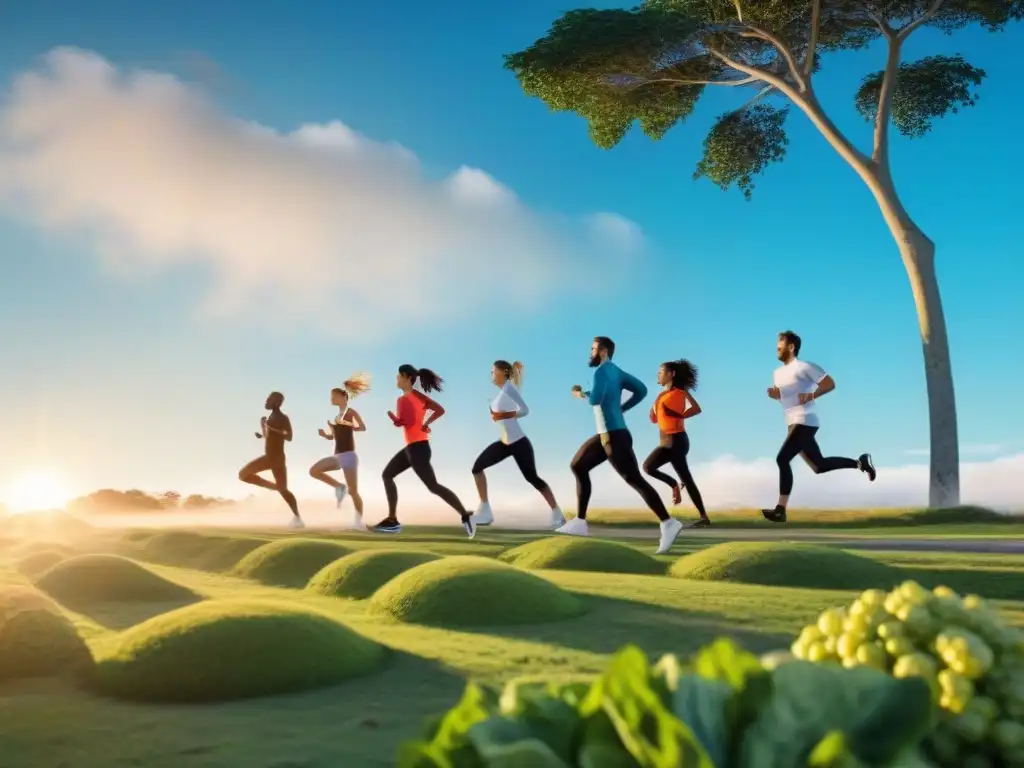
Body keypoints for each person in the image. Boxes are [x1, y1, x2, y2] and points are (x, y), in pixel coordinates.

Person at [560, 336, 684, 555]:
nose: (591, 352)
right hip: (605, 435)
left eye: (594, 349)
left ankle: (668, 522)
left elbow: (595, 400)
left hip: (615, 437)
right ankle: (580, 521)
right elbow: (642, 390)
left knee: (634, 479)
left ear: (604, 351)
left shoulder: (600, 372)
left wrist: (580, 393)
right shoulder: (616, 371)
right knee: (578, 465)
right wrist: (622, 407)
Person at [763, 330, 876, 523]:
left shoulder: (805, 367)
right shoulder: (777, 373)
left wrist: (812, 395)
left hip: (806, 420)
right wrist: (777, 396)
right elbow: (788, 399)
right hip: (792, 422)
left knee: (782, 459)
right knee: (819, 466)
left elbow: (830, 384)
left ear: (791, 347)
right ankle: (860, 463)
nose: (777, 350)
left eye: (780, 346)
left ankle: (780, 510)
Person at [374, 364, 475, 538]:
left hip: (418, 449)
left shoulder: (406, 398)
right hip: (414, 447)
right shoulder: (413, 396)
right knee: (387, 474)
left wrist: (404, 421)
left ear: (406, 377)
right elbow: (436, 411)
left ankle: (465, 516)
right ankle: (392, 521)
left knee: (433, 486)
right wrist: (419, 423)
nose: (396, 379)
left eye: (398, 376)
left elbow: (413, 419)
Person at [472, 360, 565, 529]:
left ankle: (557, 514)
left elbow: (525, 410)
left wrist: (504, 415)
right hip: (504, 443)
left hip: (519, 443)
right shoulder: (503, 392)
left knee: (532, 478)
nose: (491, 375)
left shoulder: (509, 389)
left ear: (502, 372)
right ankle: (485, 511)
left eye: (493, 371)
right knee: (477, 468)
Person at [643, 359, 711, 528]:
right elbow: (653, 419)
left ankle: (702, 515)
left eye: (661, 372)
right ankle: (676, 486)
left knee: (680, 476)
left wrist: (678, 415)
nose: (658, 375)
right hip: (665, 441)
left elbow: (696, 409)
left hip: (677, 441)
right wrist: (653, 412)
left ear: (671, 374)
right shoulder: (660, 396)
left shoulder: (680, 392)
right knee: (650, 468)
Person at [309, 373, 371, 530]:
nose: (331, 399)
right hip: (340, 455)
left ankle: (358, 523)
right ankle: (338, 486)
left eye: (333, 396)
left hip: (348, 455)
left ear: (342, 397)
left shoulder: (350, 412)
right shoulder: (337, 416)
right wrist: (326, 435)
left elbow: (362, 428)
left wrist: (345, 423)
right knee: (314, 471)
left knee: (354, 491)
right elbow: (335, 436)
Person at [238, 391, 302, 528]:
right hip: (273, 458)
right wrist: (263, 430)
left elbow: (289, 436)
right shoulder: (271, 417)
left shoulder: (283, 418)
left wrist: (269, 427)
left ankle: (295, 515)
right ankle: (297, 518)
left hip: (274, 458)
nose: (266, 401)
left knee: (243, 475)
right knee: (283, 489)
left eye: (269, 399)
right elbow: (270, 437)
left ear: (277, 402)